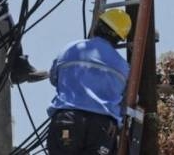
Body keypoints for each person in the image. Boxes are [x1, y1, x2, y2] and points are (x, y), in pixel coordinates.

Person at [47, 9, 132, 155]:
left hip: (68, 119)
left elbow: (54, 78)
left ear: (97, 25)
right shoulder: (123, 67)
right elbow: (125, 99)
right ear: (119, 38)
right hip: (102, 127)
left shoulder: (71, 49)